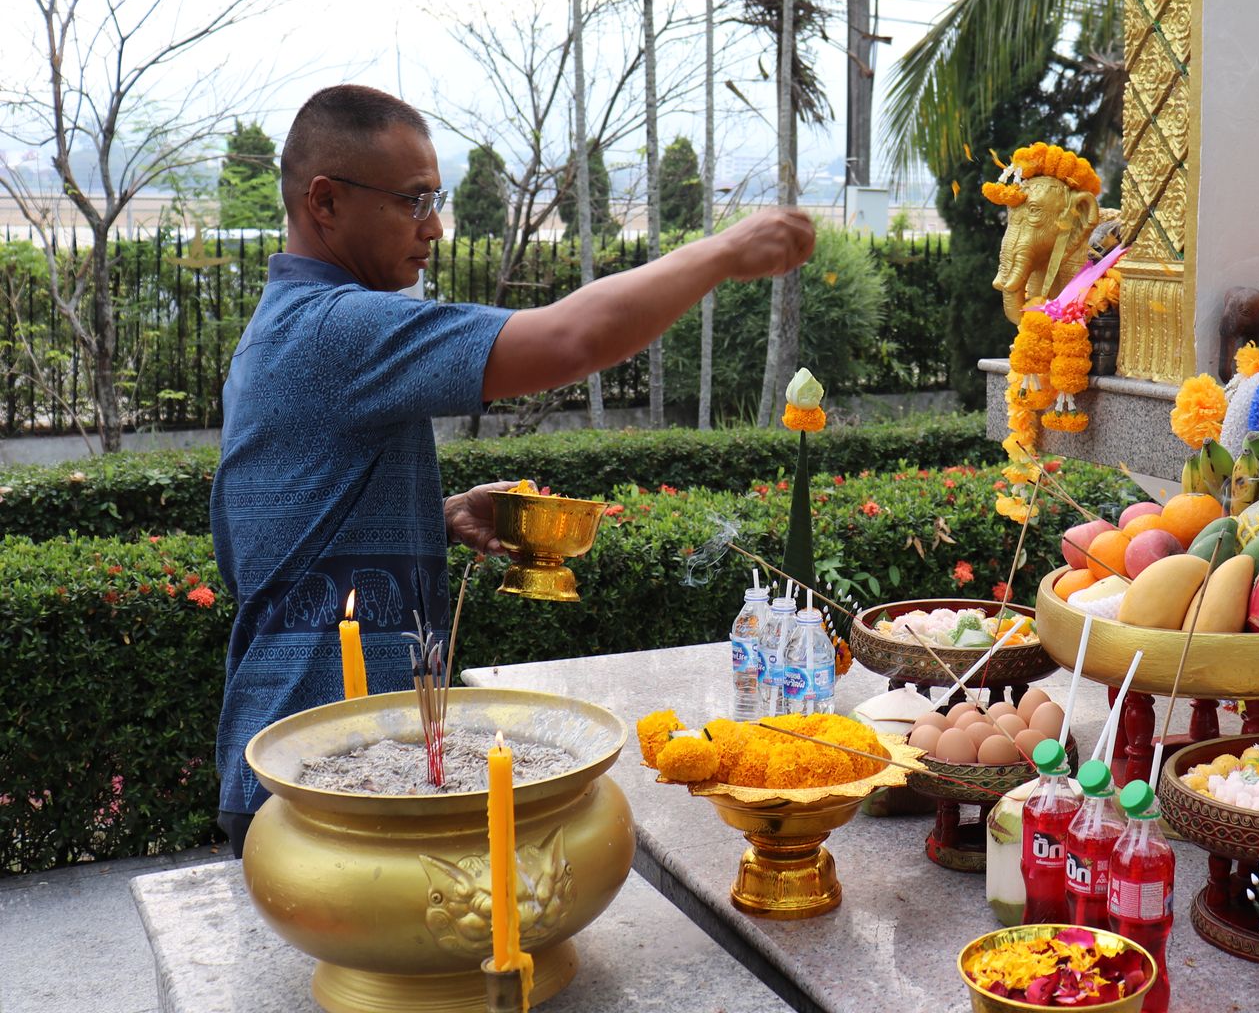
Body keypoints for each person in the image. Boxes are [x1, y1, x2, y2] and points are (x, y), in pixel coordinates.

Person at [210, 85, 812, 854]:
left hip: (320, 754)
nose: (434, 227)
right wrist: (722, 252)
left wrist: (436, 515)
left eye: (437, 199)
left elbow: (275, 532)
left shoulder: (282, 329)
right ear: (325, 201)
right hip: (319, 775)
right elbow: (568, 341)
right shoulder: (337, 327)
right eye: (414, 200)